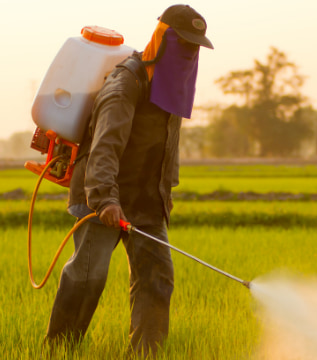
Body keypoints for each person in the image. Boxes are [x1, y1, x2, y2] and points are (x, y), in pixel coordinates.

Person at [43, 4, 213, 357]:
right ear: (162, 38)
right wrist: (105, 198)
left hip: (146, 200)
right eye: (183, 42)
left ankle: (146, 354)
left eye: (195, 46)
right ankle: (58, 350)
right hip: (102, 194)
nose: (190, 52)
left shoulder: (171, 89)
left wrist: (164, 195)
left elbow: (167, 149)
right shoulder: (125, 85)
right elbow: (105, 147)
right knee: (89, 275)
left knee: (157, 278)